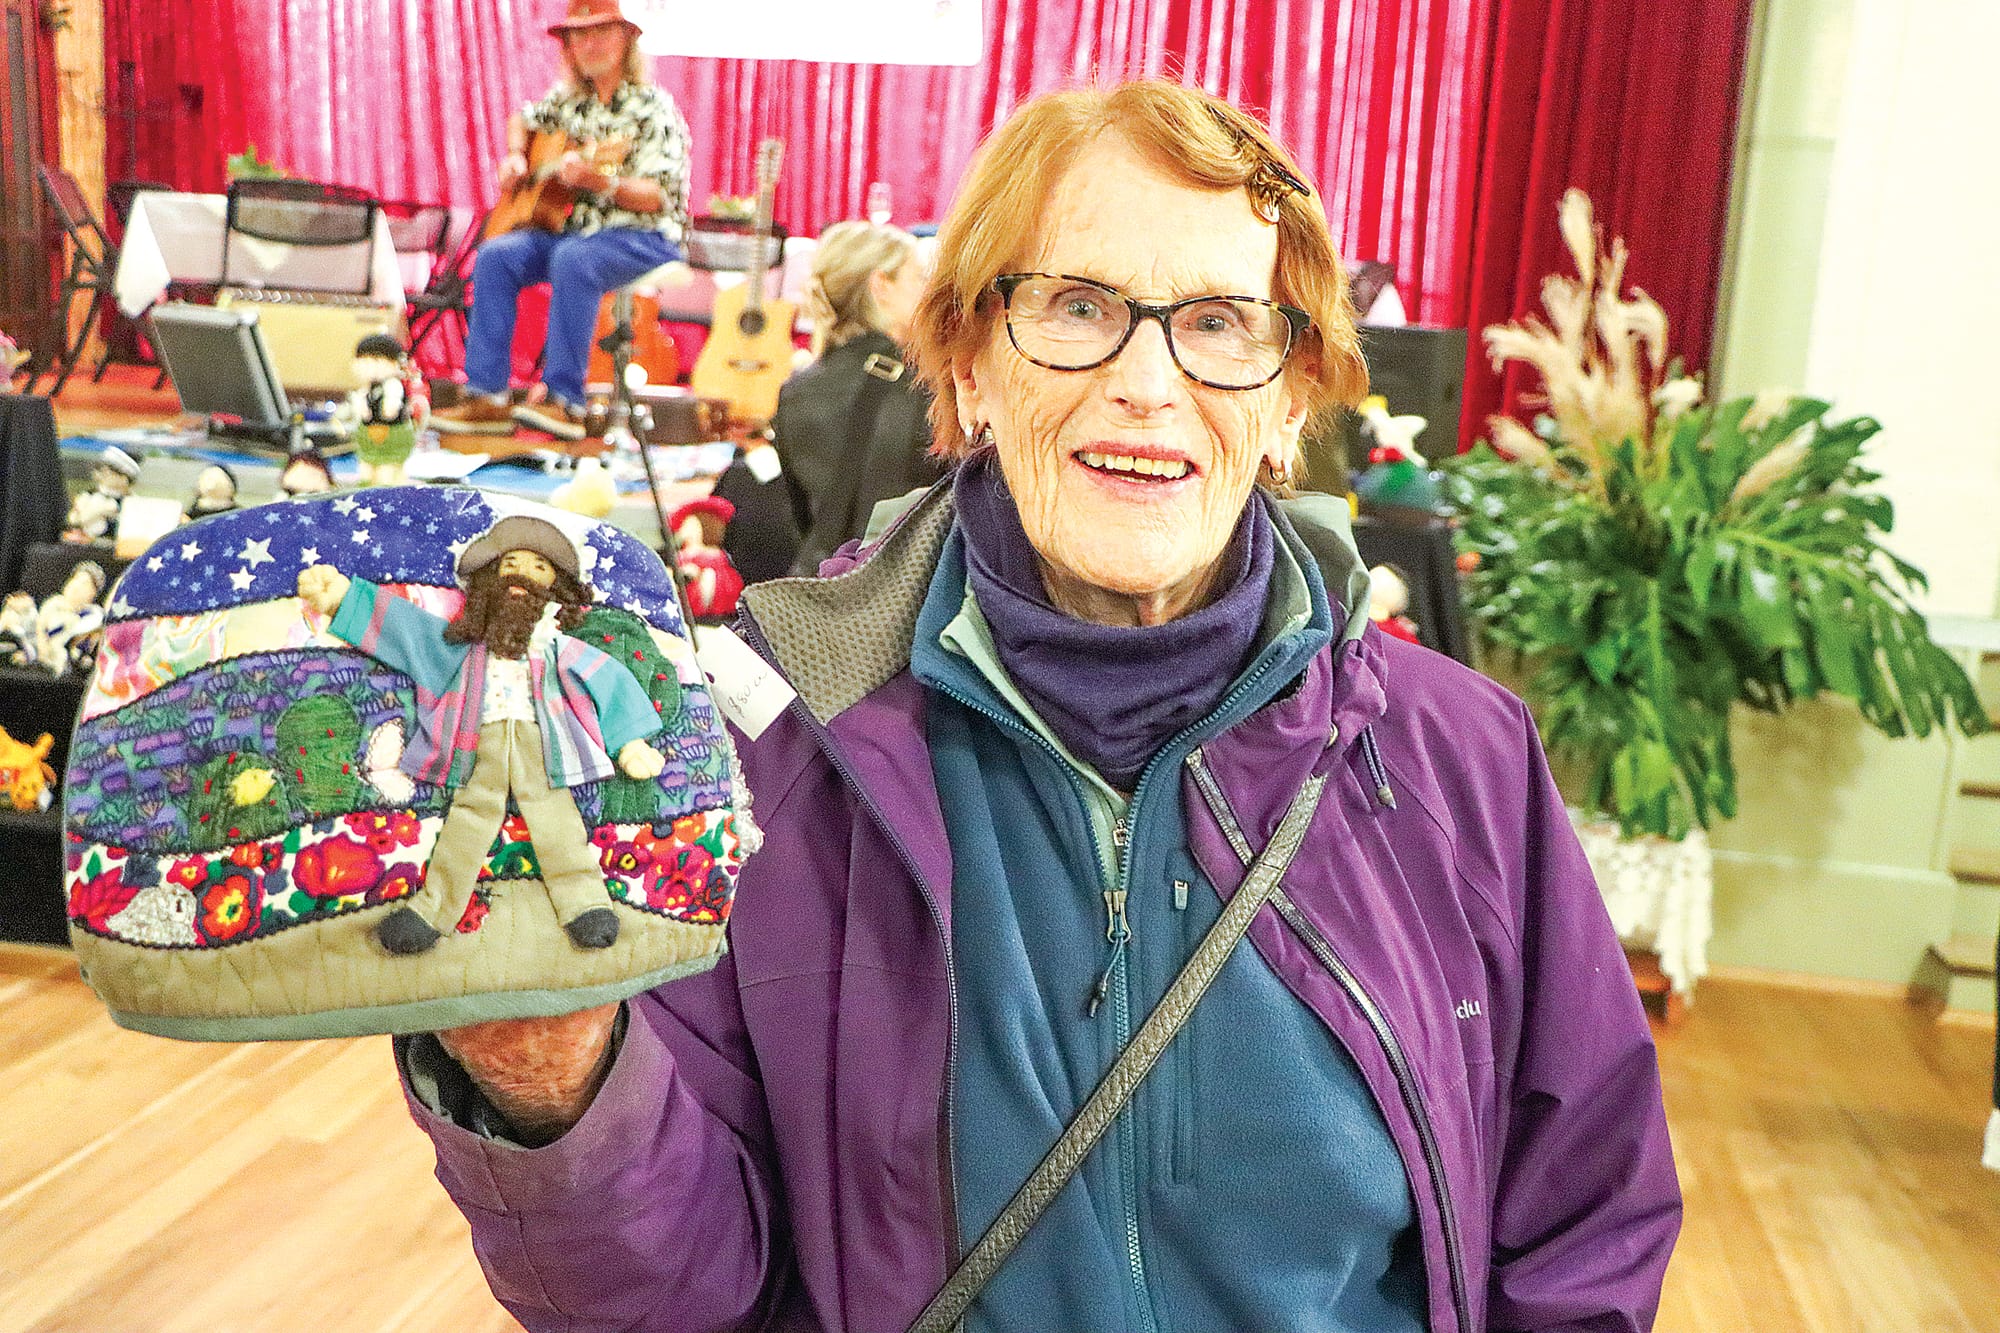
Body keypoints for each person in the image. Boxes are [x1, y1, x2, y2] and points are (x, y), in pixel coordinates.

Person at [395, 81, 1680, 1333]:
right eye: (1076, 306)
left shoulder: (1460, 760)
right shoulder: (756, 754)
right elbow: (676, 1302)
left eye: (1223, 323)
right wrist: (556, 1082)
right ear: (963, 371)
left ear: (1290, 400)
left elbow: (1581, 1230)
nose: (1146, 381)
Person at [295, 515, 666, 956]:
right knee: (467, 823)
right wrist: (343, 601)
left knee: (558, 823)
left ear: (557, 590)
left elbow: (609, 681)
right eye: (511, 565)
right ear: (491, 578)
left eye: (539, 569)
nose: (523, 577)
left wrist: (630, 742)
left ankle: (586, 905)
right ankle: (431, 912)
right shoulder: (459, 647)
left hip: (544, 750)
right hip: (476, 747)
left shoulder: (558, 648)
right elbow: (406, 631)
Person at [430, 0, 691, 444]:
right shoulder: (569, 103)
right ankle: (488, 397)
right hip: (579, 236)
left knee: (575, 258)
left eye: (600, 33)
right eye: (579, 35)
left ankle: (566, 400)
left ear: (626, 40)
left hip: (646, 238)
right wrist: (516, 155)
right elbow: (523, 119)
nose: (588, 44)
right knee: (497, 255)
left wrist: (601, 182)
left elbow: (659, 197)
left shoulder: (653, 109)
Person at [772, 219, 944, 575]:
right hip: (907, 594)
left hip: (821, 590)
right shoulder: (929, 385)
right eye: (918, 278)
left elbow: (802, 520)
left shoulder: (795, 390)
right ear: (881, 286)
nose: (931, 292)